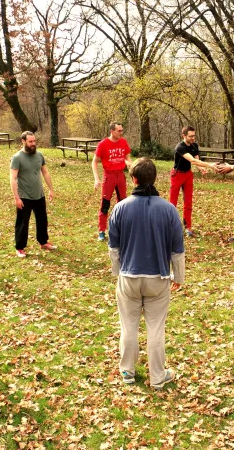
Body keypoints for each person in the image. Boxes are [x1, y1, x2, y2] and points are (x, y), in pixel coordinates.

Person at [108, 158, 185, 389]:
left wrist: (118, 273)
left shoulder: (120, 208)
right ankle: (158, 377)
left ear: (133, 179)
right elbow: (177, 249)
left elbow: (114, 248)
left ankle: (127, 372)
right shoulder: (169, 210)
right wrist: (179, 277)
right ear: (154, 179)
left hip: (129, 277)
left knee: (129, 326)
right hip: (158, 279)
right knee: (156, 328)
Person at [10, 131, 56, 257]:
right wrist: (17, 198)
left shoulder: (39, 155)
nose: (33, 144)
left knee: (42, 220)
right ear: (23, 141)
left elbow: (45, 173)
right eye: (30, 141)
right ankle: (20, 248)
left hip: (39, 194)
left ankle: (43, 242)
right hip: (24, 196)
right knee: (22, 222)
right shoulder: (17, 157)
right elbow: (13, 179)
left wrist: (51, 189)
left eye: (34, 141)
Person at [170, 126, 217, 237]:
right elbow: (192, 160)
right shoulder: (180, 147)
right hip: (177, 175)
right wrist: (210, 165)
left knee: (188, 202)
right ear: (184, 136)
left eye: (194, 136)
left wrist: (202, 168)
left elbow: (197, 160)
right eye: (190, 136)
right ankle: (169, 226)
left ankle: (188, 228)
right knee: (172, 203)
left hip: (188, 175)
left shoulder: (194, 145)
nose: (193, 138)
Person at [92, 123, 132, 241]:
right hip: (109, 176)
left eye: (122, 130)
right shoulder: (103, 144)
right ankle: (101, 230)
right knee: (105, 204)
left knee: (123, 204)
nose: (121, 133)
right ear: (112, 131)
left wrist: (130, 165)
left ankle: (122, 229)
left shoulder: (123, 142)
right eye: (119, 131)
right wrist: (96, 178)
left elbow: (127, 157)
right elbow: (94, 161)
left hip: (120, 175)